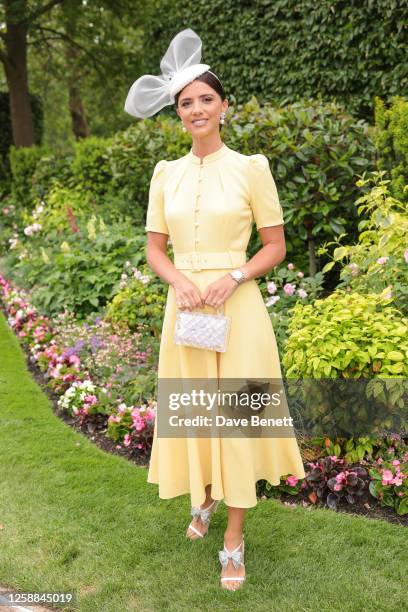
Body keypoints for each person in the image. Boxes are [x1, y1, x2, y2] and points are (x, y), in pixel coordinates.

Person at [124, 28, 306, 591]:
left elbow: (274, 244)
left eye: (206, 99)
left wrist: (234, 275)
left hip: (239, 309)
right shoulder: (165, 174)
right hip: (185, 312)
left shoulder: (252, 167)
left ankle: (233, 538)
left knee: (239, 422)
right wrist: (179, 279)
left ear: (223, 106)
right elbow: (155, 248)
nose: (196, 109)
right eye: (186, 103)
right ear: (176, 114)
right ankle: (202, 499)